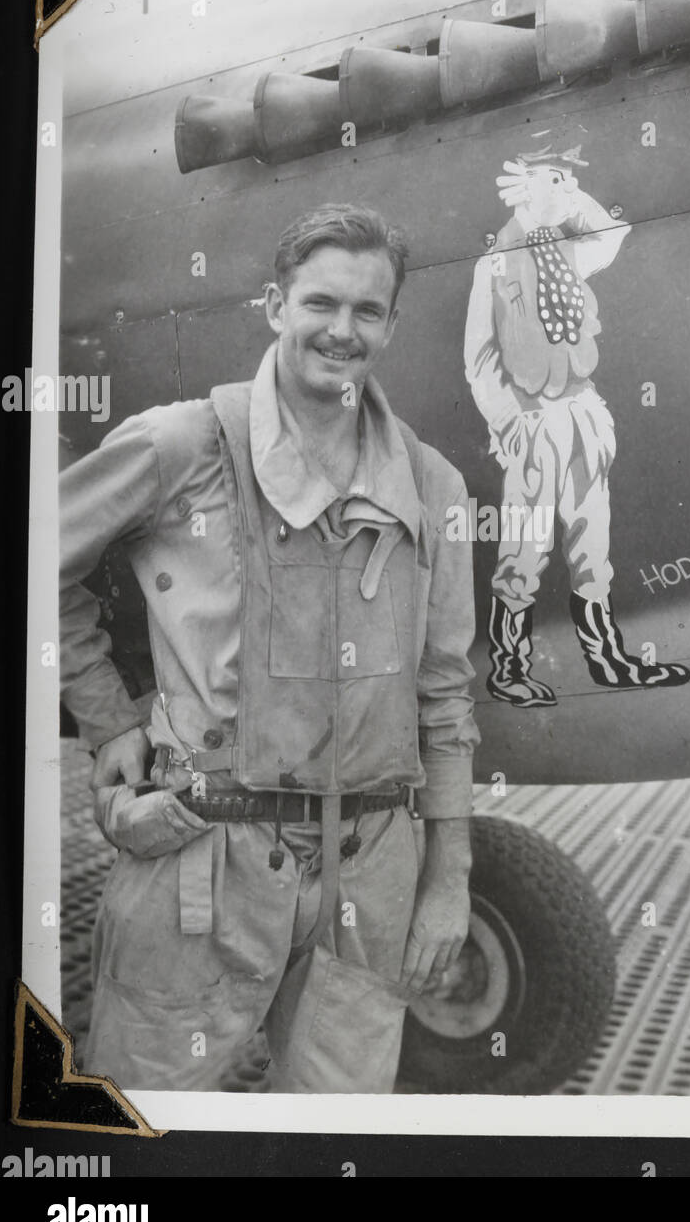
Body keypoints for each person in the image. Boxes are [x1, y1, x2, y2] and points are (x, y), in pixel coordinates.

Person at [60, 203, 479, 1093]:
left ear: (392, 324)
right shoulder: (183, 445)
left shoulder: (431, 485)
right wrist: (106, 720)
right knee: (145, 1126)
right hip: (201, 860)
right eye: (320, 303)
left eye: (368, 311)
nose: (342, 330)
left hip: (371, 873)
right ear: (274, 306)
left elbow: (446, 697)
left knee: (337, 1142)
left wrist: (448, 883)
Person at [463, 138, 690, 707]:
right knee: (524, 549)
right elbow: (481, 357)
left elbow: (612, 235)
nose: (568, 188)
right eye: (556, 178)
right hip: (533, 418)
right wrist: (509, 424)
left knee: (593, 546)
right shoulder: (495, 260)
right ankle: (509, 667)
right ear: (525, 183)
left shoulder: (567, 246)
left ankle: (607, 658)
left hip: (582, 410)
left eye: (571, 178)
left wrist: (569, 194)